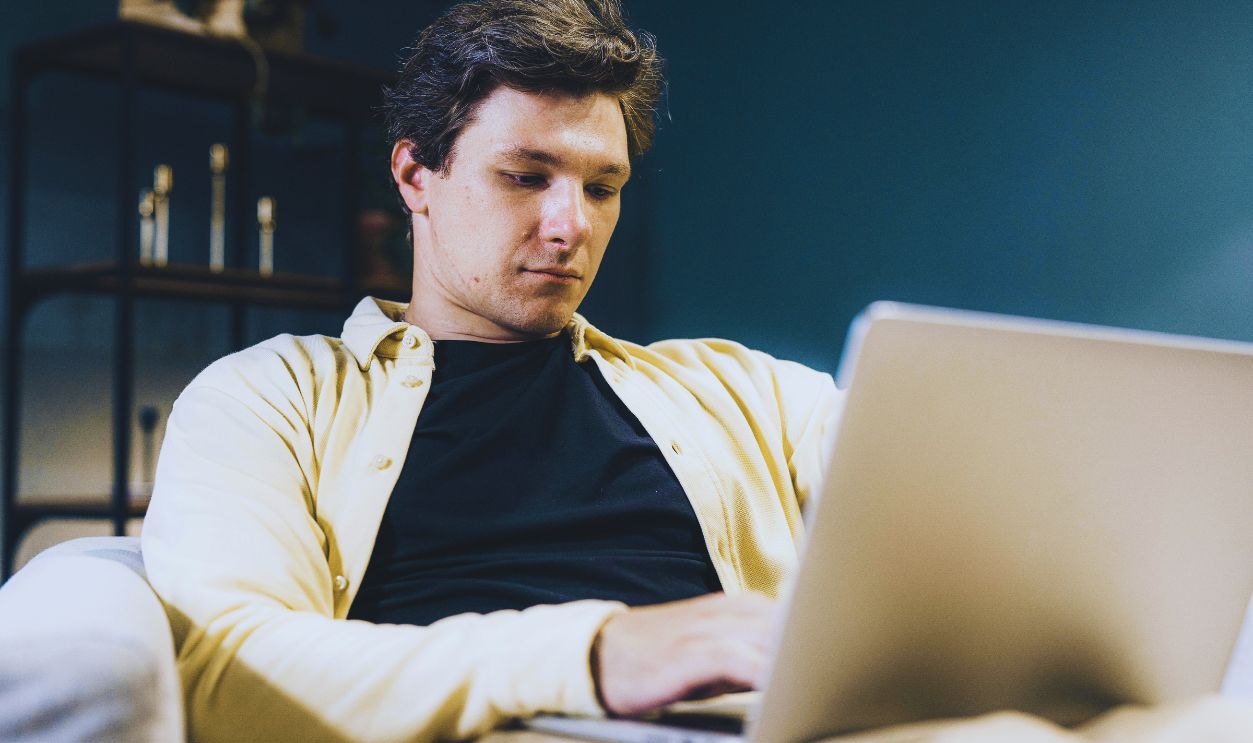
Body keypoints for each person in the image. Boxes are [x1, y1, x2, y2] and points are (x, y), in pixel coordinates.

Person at [141, 1, 840, 741]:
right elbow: (228, 680)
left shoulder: (747, 393)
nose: (571, 223)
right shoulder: (270, 399)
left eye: (602, 188)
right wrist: (594, 654)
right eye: (524, 175)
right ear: (415, 175)